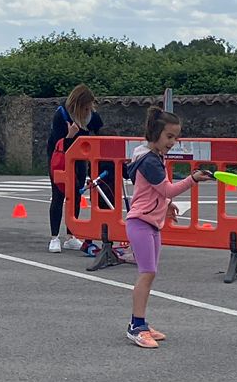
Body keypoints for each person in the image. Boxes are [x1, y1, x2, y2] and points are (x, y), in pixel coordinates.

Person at [123, 108, 212, 347]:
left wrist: (167, 204)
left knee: (150, 273)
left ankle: (140, 321)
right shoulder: (150, 160)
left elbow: (155, 192)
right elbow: (167, 189)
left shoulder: (151, 155)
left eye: (176, 137)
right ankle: (136, 326)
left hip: (151, 223)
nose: (173, 142)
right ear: (155, 133)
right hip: (140, 222)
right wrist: (192, 179)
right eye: (169, 137)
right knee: (147, 272)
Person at [47, 83, 107, 251]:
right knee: (58, 194)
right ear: (78, 104)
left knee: (76, 194)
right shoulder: (61, 115)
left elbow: (100, 132)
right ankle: (54, 237)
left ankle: (71, 235)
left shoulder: (91, 116)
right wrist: (70, 135)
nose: (89, 109)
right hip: (59, 157)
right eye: (86, 107)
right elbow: (60, 144)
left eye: (90, 107)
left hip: (79, 158)